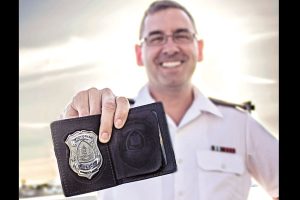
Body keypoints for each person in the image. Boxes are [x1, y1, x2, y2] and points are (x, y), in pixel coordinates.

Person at [61, 0, 279, 199]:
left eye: (182, 35)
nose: (171, 47)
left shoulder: (240, 125)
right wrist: (76, 120)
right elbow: (71, 161)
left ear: (199, 48)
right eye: (156, 38)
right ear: (139, 53)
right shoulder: (104, 124)